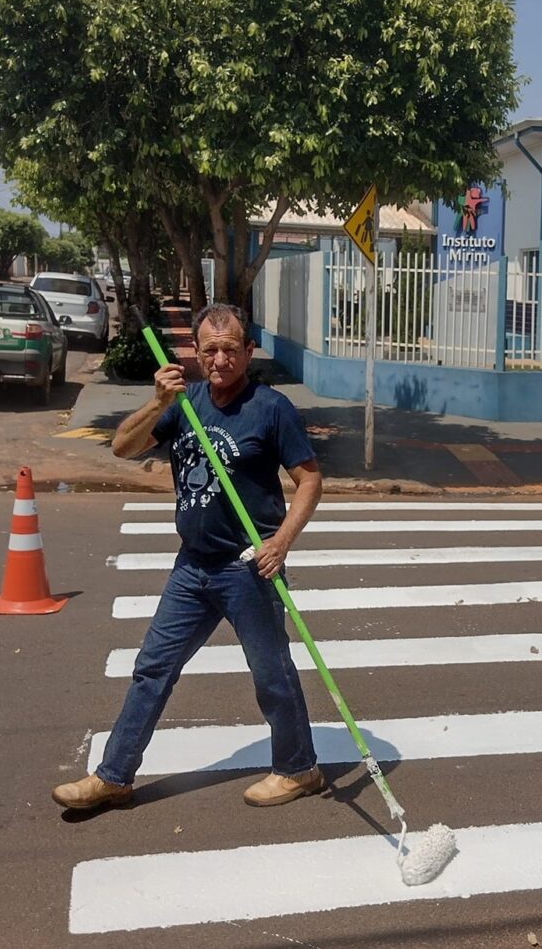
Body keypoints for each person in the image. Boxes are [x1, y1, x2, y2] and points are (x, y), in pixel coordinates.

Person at [52, 303, 325, 810]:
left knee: (272, 675)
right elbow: (122, 447)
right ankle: (114, 776)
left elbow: (309, 479)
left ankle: (299, 769)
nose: (219, 360)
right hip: (193, 566)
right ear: (196, 354)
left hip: (249, 566)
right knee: (152, 667)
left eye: (229, 349)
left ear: (248, 351)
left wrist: (282, 540)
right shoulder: (184, 401)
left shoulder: (271, 408)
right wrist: (157, 402)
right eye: (209, 350)